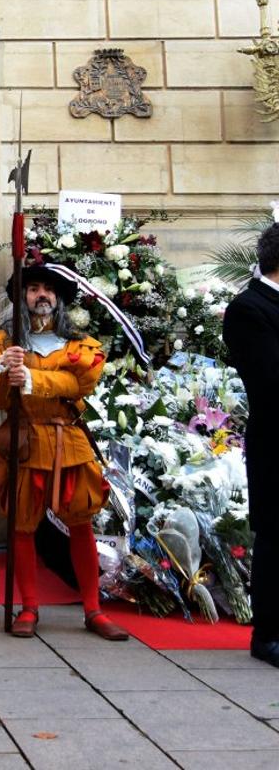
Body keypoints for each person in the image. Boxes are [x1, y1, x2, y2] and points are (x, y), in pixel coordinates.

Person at [0, 265, 128, 641]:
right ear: (22, 298)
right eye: (33, 289)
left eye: (48, 289)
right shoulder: (2, 345)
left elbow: (81, 381)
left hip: (69, 441)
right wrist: (3, 369)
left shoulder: (80, 345)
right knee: (22, 525)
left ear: (59, 299)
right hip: (25, 442)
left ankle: (93, 609)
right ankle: (30, 606)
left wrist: (34, 379)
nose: (41, 295)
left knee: (81, 522)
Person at [222, 223, 279, 668]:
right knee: (278, 537)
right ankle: (269, 635)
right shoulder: (249, 308)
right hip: (277, 442)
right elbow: (269, 384)